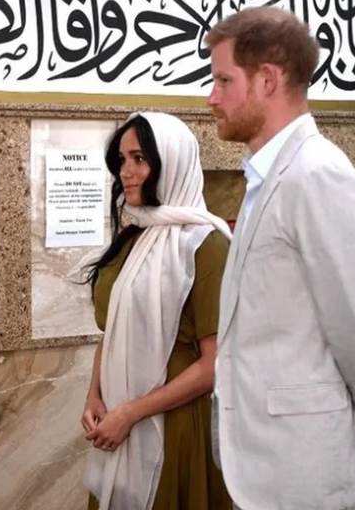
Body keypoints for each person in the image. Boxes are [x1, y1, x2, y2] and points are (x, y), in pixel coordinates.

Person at [206, 7, 355, 509]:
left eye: (223, 81)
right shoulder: (269, 176)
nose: (211, 98)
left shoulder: (317, 175)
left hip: (301, 473)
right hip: (265, 466)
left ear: (268, 80)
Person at [80, 112, 234, 510]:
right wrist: (95, 395)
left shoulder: (205, 245)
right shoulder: (134, 238)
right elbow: (114, 329)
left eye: (139, 159)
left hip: (174, 424)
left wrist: (131, 412)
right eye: (121, 160)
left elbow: (214, 364)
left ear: (171, 163)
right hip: (118, 419)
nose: (126, 172)